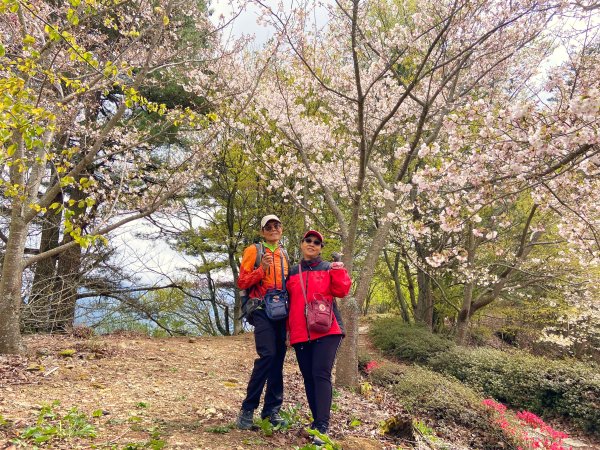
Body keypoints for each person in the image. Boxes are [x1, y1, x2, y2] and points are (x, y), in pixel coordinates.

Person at [286, 230, 352, 446]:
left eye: (317, 242)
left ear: (321, 248)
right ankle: (316, 422)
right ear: (302, 243)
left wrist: (339, 269)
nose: (312, 244)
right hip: (300, 333)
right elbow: (287, 302)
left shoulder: (328, 268)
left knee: (321, 374)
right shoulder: (292, 272)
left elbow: (342, 291)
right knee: (308, 377)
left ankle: (322, 426)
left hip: (327, 330)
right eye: (308, 240)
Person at [236, 214, 289, 430]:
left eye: (277, 225)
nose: (273, 229)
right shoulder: (254, 250)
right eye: (269, 226)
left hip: (282, 311)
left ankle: (271, 412)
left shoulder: (284, 253)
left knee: (277, 361)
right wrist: (262, 270)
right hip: (261, 309)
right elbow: (241, 281)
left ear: (281, 229)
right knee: (267, 355)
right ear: (262, 231)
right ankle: (247, 410)